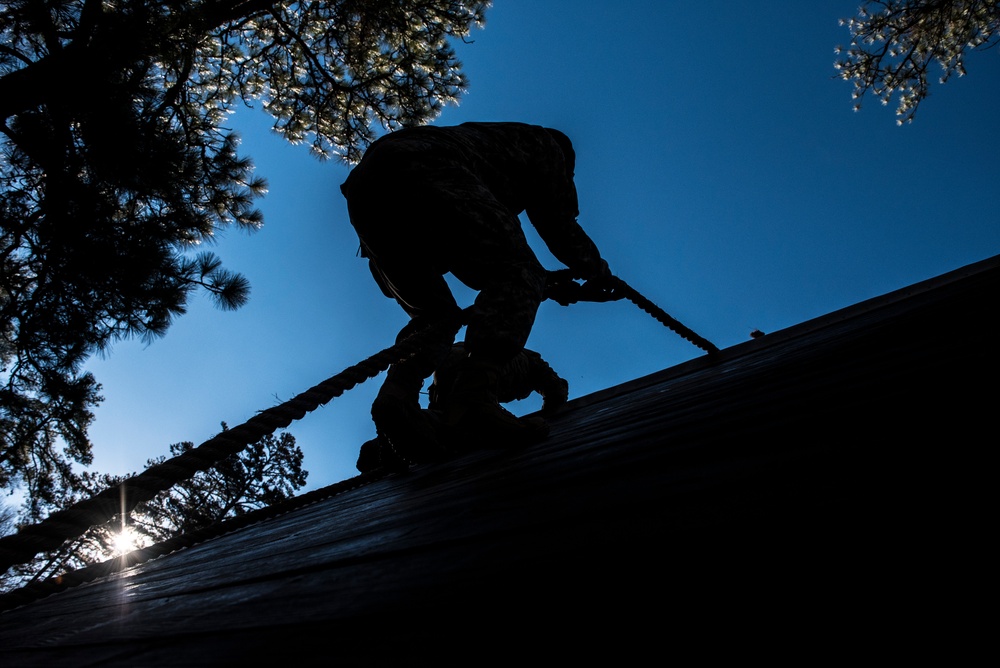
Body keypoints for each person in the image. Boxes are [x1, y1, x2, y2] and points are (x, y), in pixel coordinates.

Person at [340, 121, 613, 466]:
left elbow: (472, 250)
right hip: (426, 169)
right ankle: (473, 400)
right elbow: (557, 226)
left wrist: (548, 284)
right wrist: (597, 271)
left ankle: (399, 395)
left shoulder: (491, 142)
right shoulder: (547, 147)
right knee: (519, 271)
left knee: (435, 316)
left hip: (368, 192)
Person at [356, 342, 570, 473]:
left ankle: (382, 441)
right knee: (473, 425)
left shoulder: (481, 340)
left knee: (442, 422)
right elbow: (555, 393)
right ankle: (410, 435)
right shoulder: (528, 360)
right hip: (482, 370)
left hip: (445, 368)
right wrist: (550, 414)